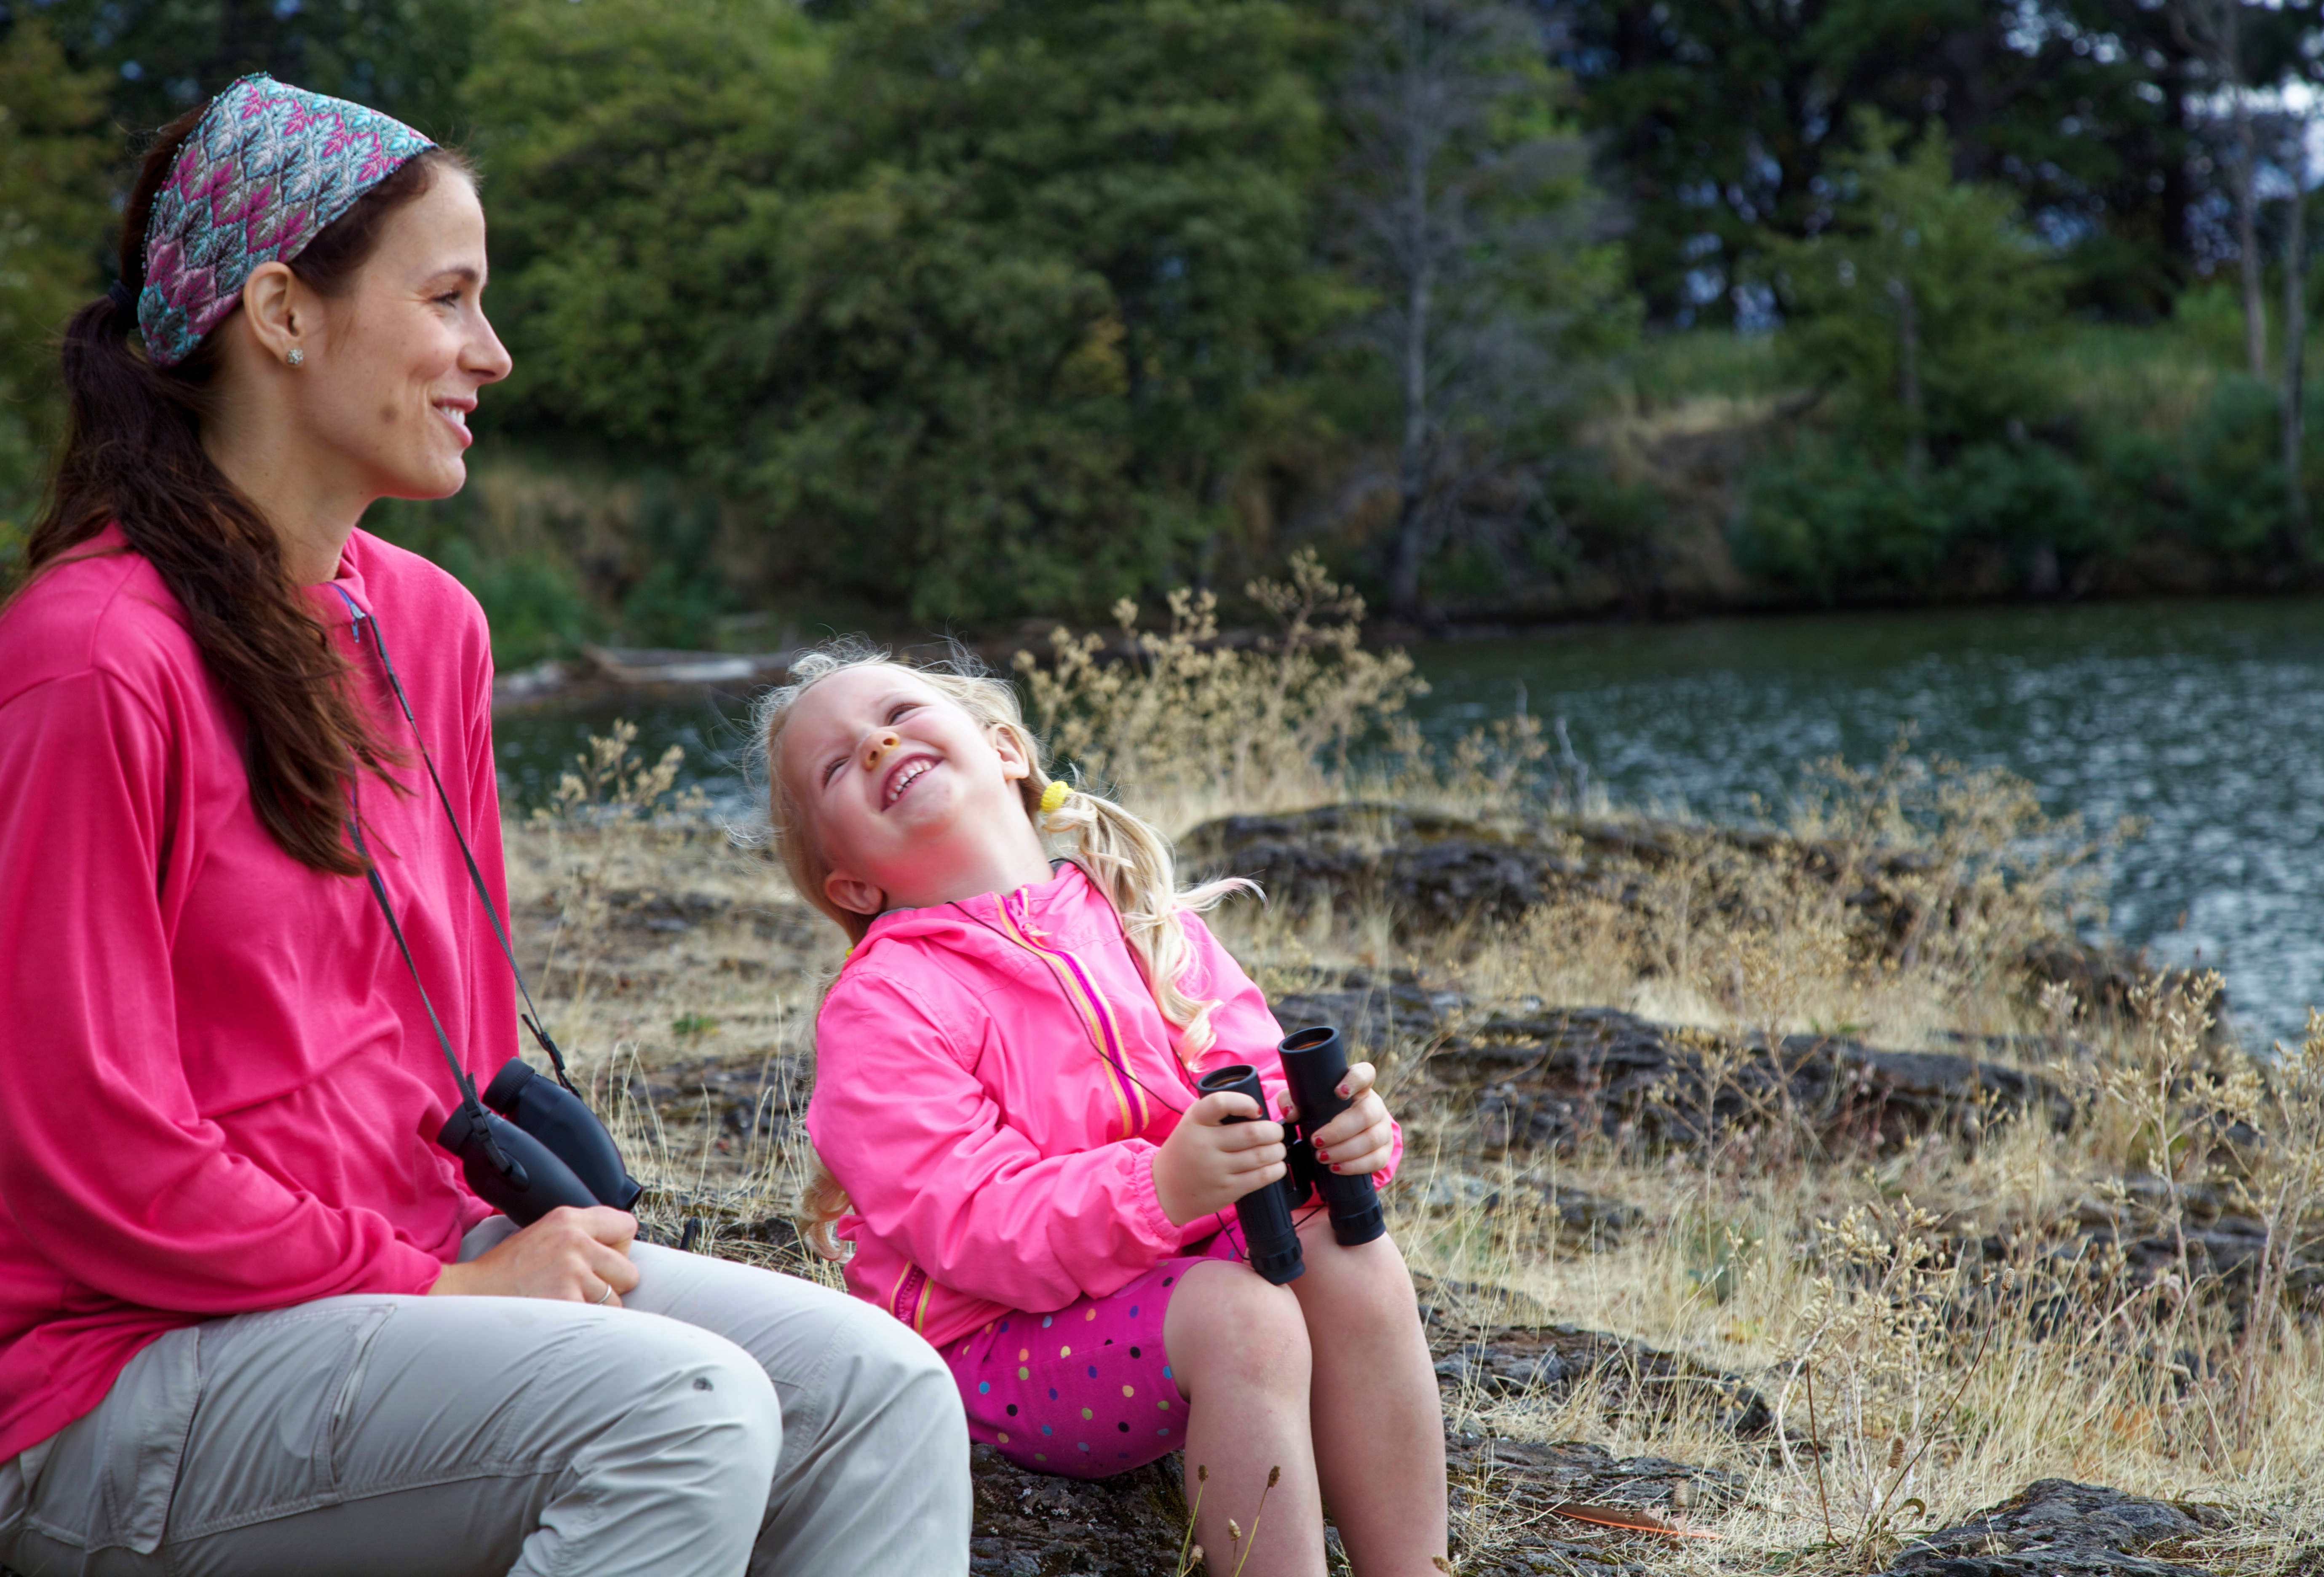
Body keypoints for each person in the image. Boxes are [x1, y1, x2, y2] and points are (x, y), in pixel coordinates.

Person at [0, 76, 968, 1577]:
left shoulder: (428, 628)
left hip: (394, 1287)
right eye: (449, 298)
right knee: (683, 1410)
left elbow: (440, 1043)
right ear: (282, 312)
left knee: (883, 1391)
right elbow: (85, 1147)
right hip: (116, 1367)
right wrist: (439, 1289)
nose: (491, 355)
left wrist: (465, 1265)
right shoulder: (91, 659)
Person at [755, 643, 1451, 1577]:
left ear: (1003, 747)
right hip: (999, 1345)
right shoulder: (885, 1004)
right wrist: (1160, 1188)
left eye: (899, 714)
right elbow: (969, 1221)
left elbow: (1260, 1088)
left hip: (1167, 1280)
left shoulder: (1139, 917)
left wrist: (1340, 1144)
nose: (878, 746)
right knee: (1243, 1319)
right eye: (837, 766)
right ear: (852, 885)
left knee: (1355, 1259)